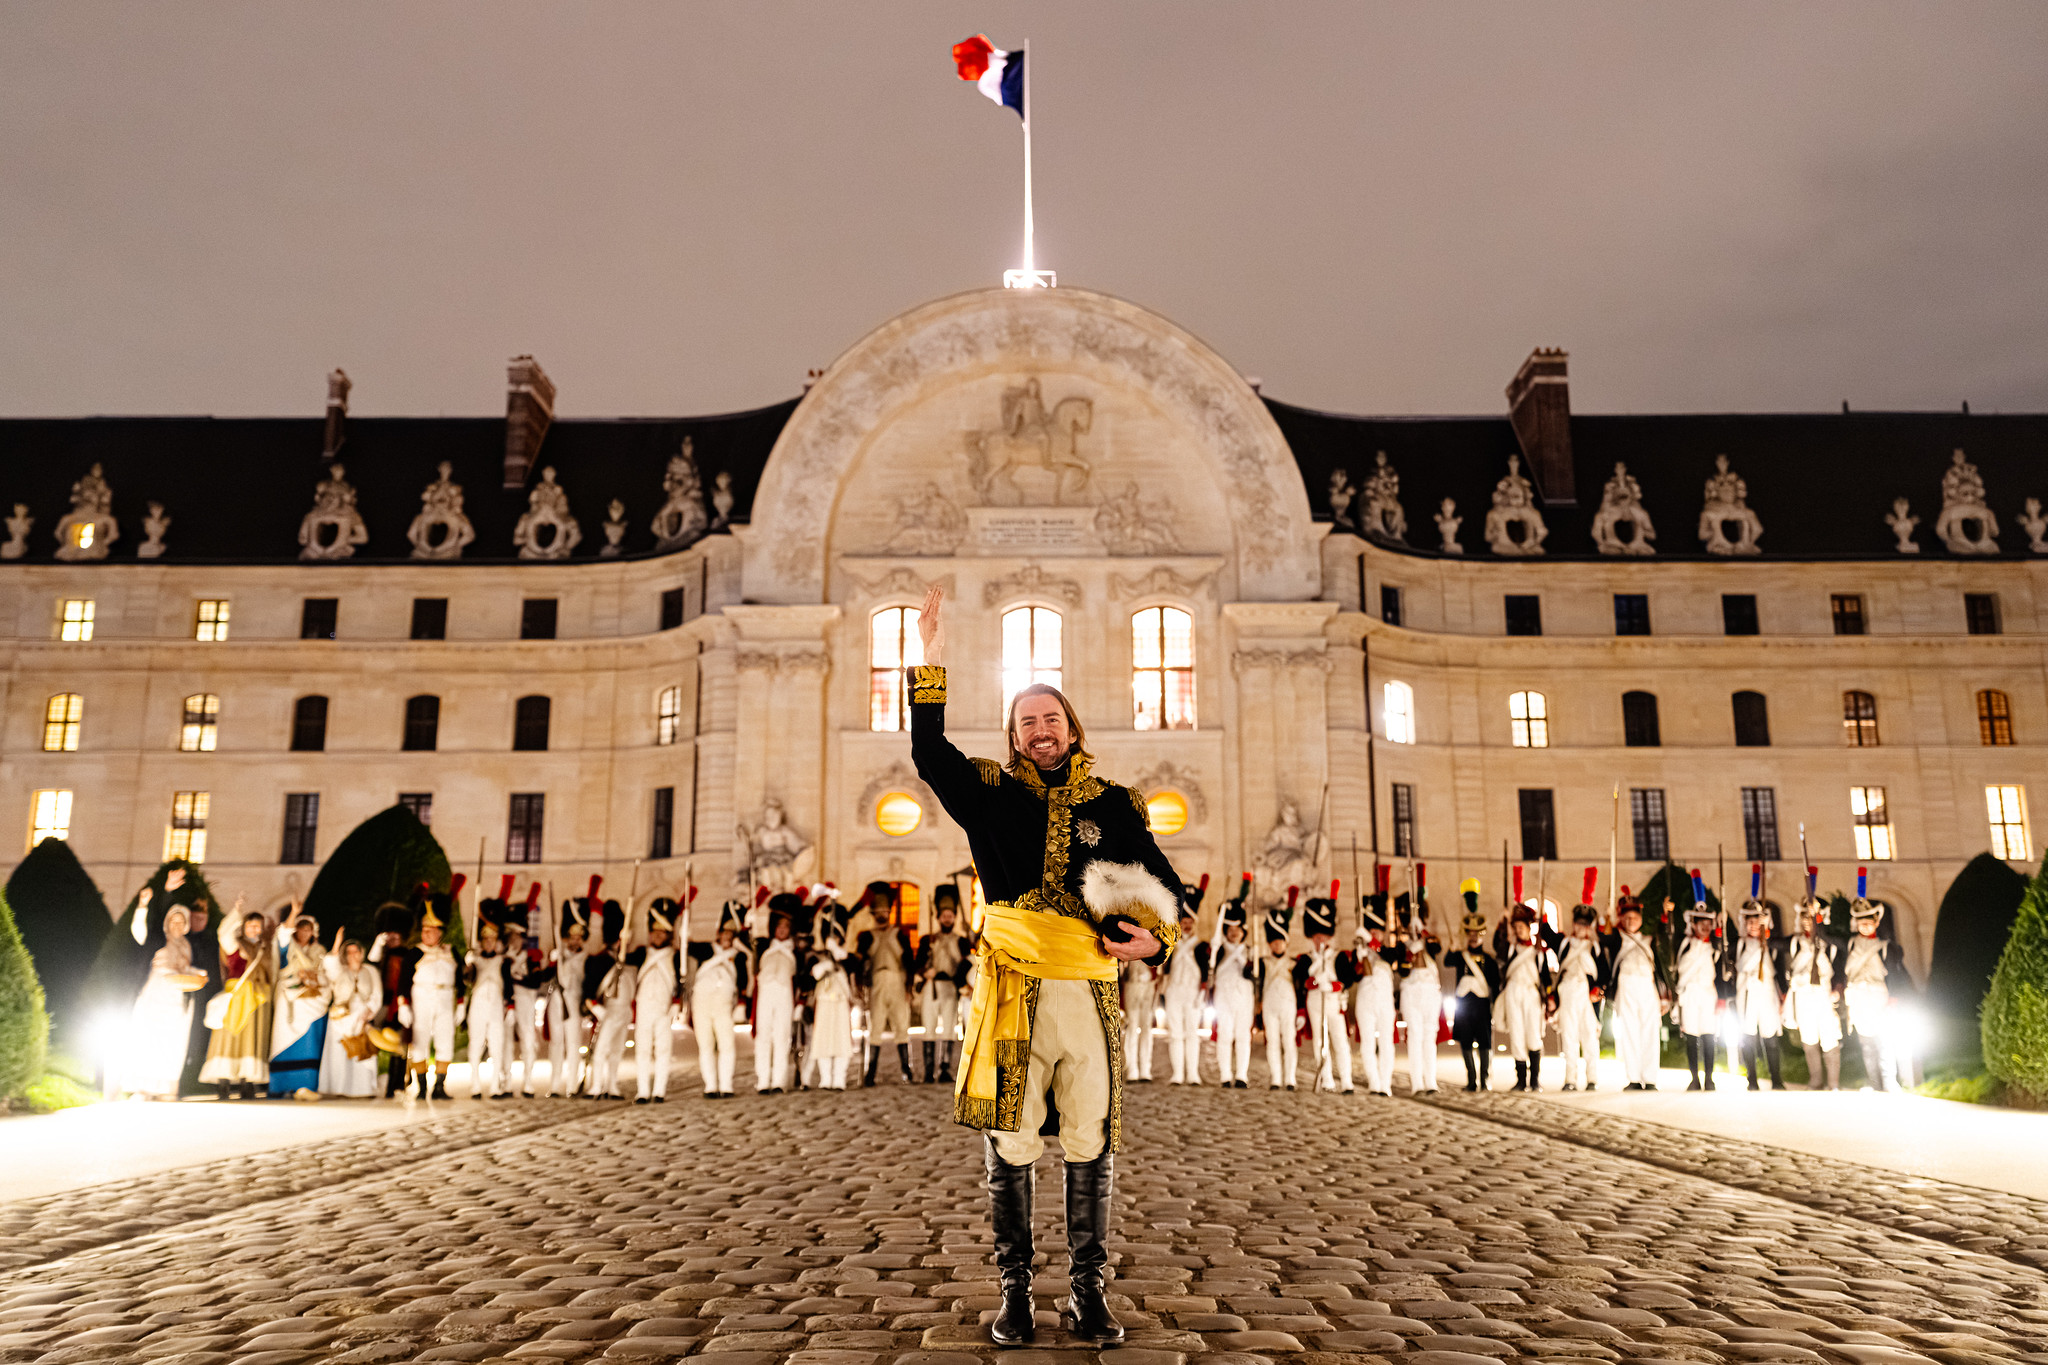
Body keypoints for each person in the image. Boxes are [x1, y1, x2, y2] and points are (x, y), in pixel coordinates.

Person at [909, 583, 1182, 1346]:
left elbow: (1165, 887)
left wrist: (1155, 940)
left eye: (1050, 718)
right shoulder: (988, 793)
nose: (1040, 730)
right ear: (1014, 734)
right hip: (1014, 990)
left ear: (1071, 727)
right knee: (1012, 1139)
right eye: (1027, 721)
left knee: (1091, 1137)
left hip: (1089, 993)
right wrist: (930, 660)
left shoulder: (1117, 804)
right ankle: (1017, 1291)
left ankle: (1089, 1292)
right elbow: (929, 753)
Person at [125, 898, 205, 1099]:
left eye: (181, 922)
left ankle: (165, 1088)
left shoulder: (185, 945)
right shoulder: (158, 940)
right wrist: (142, 907)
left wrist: (198, 973)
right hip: (156, 992)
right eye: (173, 921)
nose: (177, 925)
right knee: (149, 1038)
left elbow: (184, 968)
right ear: (167, 923)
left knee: (172, 1041)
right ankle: (142, 1088)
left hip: (176, 996)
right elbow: (139, 932)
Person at [200, 900, 278, 1100]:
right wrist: (236, 911)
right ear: (243, 927)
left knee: (251, 1039)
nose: (254, 929)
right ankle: (223, 1082)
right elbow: (223, 933)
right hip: (236, 995)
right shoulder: (235, 944)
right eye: (250, 925)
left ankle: (247, 1082)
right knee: (228, 1037)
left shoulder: (266, 947)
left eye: (258, 926)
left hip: (257, 997)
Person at [1541, 870, 1611, 1092]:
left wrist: (1598, 990)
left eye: (1585, 924)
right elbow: (1546, 933)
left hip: (1588, 997)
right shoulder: (1564, 943)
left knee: (1590, 1038)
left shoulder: (1596, 946)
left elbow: (1605, 974)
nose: (1581, 928)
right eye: (1579, 924)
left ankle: (1592, 1079)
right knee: (1569, 1037)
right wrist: (1542, 914)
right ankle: (1570, 1079)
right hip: (1567, 993)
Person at [398, 879, 465, 1100]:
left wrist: (461, 1002)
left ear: (439, 932)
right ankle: (422, 1085)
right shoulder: (414, 953)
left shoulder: (451, 951)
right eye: (425, 930)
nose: (427, 934)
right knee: (420, 1041)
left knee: (445, 1041)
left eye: (431, 931)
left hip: (445, 998)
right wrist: (403, 1004)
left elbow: (460, 979)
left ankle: (439, 1086)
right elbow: (403, 980)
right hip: (422, 998)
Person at [1842, 869, 1908, 1092]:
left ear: (1876, 923)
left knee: (1884, 1041)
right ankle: (1874, 1083)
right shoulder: (1851, 944)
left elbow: (1895, 974)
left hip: (1879, 998)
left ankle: (1890, 1082)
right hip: (1858, 999)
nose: (1865, 926)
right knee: (1867, 1044)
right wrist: (1817, 915)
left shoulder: (1885, 946)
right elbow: (1824, 935)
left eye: (1869, 922)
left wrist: (1893, 999)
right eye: (1861, 923)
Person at [1600, 889, 1670, 1091]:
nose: (1631, 921)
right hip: (1626, 987)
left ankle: (1650, 1078)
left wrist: (1664, 997)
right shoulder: (1617, 938)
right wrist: (1607, 918)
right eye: (1627, 917)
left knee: (1650, 1032)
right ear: (1621, 919)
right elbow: (1604, 939)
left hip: (1647, 986)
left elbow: (1660, 963)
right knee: (1629, 1032)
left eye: (1634, 917)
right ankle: (1633, 1078)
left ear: (1640, 919)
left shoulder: (1648, 939)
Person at [1784, 868, 1845, 1090]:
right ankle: (1816, 1080)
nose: (1807, 922)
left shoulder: (1829, 941)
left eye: (1811, 918)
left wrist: (1821, 929)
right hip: (1803, 995)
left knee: (1829, 1037)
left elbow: (1842, 954)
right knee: (1808, 1038)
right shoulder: (1795, 942)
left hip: (1824, 994)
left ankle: (1833, 1082)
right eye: (1805, 917)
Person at [1733, 867, 1790, 1091]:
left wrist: (1783, 994)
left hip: (1767, 992)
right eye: (1750, 922)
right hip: (1747, 992)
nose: (1753, 925)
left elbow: (1780, 965)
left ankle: (1776, 1078)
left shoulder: (1771, 944)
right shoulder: (1740, 944)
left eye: (1757, 921)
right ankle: (1752, 1080)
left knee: (1770, 1035)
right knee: (1748, 1036)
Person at [1294, 889, 1355, 1093]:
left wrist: (1335, 985)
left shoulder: (1338, 957)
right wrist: (1312, 982)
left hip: (1334, 1002)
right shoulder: (1306, 959)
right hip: (1315, 1002)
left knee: (1340, 1041)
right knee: (1320, 1042)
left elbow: (1347, 979)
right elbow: (1301, 980)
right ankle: (1326, 1078)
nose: (1320, 941)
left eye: (1323, 937)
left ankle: (1346, 1080)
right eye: (1317, 937)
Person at [855, 883, 916, 1085]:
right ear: (874, 913)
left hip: (897, 981)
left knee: (902, 1026)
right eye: (878, 911)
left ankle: (907, 1071)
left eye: (885, 911)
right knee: (876, 1027)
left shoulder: (900, 934)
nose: (882, 914)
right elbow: (861, 964)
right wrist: (860, 986)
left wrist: (909, 988)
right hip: (877, 984)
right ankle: (870, 1073)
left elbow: (909, 962)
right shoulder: (867, 937)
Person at [1444, 881, 1501, 1093]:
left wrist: (1495, 1005)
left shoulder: (1489, 960)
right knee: (1466, 1042)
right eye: (1470, 933)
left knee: (1485, 1043)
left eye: (1477, 933)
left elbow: (1495, 983)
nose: (1474, 936)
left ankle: (1485, 1079)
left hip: (1482, 1006)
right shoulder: (1460, 956)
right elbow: (1447, 962)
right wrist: (1452, 949)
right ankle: (1471, 1080)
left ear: (1482, 934)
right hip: (1464, 1006)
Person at [688, 901, 750, 1097]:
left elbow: (744, 979)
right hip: (702, 1003)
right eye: (725, 933)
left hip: (723, 1005)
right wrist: (684, 930)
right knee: (706, 1045)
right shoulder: (707, 950)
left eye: (731, 935)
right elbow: (687, 947)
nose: (727, 938)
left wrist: (745, 947)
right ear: (719, 933)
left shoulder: (739, 957)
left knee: (726, 1045)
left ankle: (726, 1085)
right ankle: (710, 1086)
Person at [1673, 873, 1727, 1091]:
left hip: (1708, 994)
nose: (1705, 927)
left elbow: (1721, 973)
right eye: (1701, 923)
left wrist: (1722, 998)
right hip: (1689, 994)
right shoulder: (1684, 943)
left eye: (1708, 923)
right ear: (1693, 924)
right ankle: (1694, 1078)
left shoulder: (1715, 946)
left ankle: (1709, 1078)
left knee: (1708, 1035)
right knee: (1691, 1036)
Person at [267, 911, 331, 1097]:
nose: (305, 933)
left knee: (309, 1042)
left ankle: (306, 1084)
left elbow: (324, 973)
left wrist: (311, 978)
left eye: (308, 930)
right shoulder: (288, 946)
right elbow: (283, 937)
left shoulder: (319, 951)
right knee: (283, 1039)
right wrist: (294, 912)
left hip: (312, 1000)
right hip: (289, 998)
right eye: (301, 929)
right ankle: (281, 1085)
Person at [629, 898, 683, 1103]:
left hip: (663, 1009)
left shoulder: (675, 956)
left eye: (663, 932)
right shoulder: (641, 953)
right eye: (655, 931)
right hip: (644, 1008)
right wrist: (625, 939)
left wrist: (677, 1002)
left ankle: (659, 1091)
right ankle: (642, 1091)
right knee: (642, 1050)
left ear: (668, 934)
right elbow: (622, 959)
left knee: (663, 1050)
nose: (658, 935)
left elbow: (681, 979)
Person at [917, 888, 973, 1084]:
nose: (947, 919)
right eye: (944, 916)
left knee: (949, 1027)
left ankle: (945, 1070)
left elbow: (967, 963)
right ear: (939, 918)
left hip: (951, 987)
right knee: (929, 1026)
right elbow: (918, 963)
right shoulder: (928, 940)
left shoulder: (962, 941)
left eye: (950, 916)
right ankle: (928, 1071)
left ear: (954, 918)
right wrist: (925, 972)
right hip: (931, 987)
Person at [1394, 876, 1444, 1094]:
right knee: (1414, 1035)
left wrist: (1421, 935)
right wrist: (1410, 946)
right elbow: (1403, 970)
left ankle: (1430, 1080)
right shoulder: (1401, 945)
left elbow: (1436, 949)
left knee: (1429, 1036)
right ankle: (1417, 1082)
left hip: (1430, 990)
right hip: (1411, 991)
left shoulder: (1429, 940)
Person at [1350, 884, 1400, 1098]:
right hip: (1365, 999)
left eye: (1376, 931)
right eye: (1370, 931)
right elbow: (1351, 977)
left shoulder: (1387, 950)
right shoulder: (1359, 951)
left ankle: (1385, 1083)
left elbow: (1391, 956)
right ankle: (1374, 1081)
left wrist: (1372, 943)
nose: (1373, 934)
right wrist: (1359, 957)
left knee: (1386, 1042)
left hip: (1384, 1000)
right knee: (1367, 1044)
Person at [319, 933, 383, 1097]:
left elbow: (376, 993)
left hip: (362, 1014)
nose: (353, 955)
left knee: (362, 1051)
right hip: (341, 1016)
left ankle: (362, 1089)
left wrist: (369, 1012)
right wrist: (337, 944)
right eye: (349, 952)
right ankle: (338, 1088)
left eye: (356, 952)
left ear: (361, 953)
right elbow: (330, 965)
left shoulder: (370, 970)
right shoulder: (339, 970)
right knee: (339, 1052)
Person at [1497, 903, 1552, 1091]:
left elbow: (1545, 977)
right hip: (1513, 992)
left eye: (1522, 927)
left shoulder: (1538, 952)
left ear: (1529, 928)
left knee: (1533, 1035)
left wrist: (1549, 996)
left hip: (1531, 994)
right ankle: (1521, 1080)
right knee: (1517, 1035)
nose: (1519, 930)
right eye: (1516, 927)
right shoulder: (1510, 948)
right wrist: (1503, 923)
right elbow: (1498, 949)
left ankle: (1534, 1080)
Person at [1161, 894, 1214, 1085]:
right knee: (1175, 1033)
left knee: (1192, 1033)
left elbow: (1205, 971)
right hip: (1174, 991)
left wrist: (1203, 992)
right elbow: (1164, 969)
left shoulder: (1201, 946)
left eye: (1190, 922)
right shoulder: (1170, 944)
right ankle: (1177, 1074)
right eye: (1184, 922)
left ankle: (1193, 1074)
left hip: (1193, 993)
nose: (1187, 926)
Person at [802, 900, 855, 1090]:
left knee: (842, 1040)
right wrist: (825, 965)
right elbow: (810, 978)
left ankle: (839, 1078)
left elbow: (850, 968)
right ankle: (825, 1078)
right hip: (823, 1001)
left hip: (840, 1001)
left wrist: (837, 953)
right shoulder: (816, 957)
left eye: (837, 936)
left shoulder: (846, 957)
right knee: (822, 1040)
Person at [581, 898, 629, 1098]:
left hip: (624, 1012)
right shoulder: (600, 960)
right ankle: (596, 1086)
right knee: (601, 1050)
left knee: (617, 1050)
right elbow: (588, 990)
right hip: (608, 1011)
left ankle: (612, 1086)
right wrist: (595, 1008)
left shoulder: (627, 959)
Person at [754, 895, 801, 1095]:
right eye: (779, 926)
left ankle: (779, 1081)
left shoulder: (796, 950)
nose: (782, 930)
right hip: (766, 992)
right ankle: (763, 1080)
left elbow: (799, 977)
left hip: (785, 993)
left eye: (786, 926)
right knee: (763, 1036)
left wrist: (799, 1001)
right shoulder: (762, 945)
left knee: (782, 1036)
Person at [1255, 895, 1301, 1091]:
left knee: (1289, 1041)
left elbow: (1299, 987)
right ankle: (1275, 1077)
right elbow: (1257, 984)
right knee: (1272, 1042)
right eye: (1273, 942)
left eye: (1280, 942)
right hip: (1269, 1005)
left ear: (1285, 942)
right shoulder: (1262, 963)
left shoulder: (1294, 963)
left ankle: (1290, 1078)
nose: (1277, 945)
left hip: (1288, 1005)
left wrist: (1301, 1011)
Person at [503, 884, 545, 1096]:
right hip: (507, 1005)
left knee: (528, 1041)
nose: (514, 940)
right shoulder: (503, 959)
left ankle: (528, 1081)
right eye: (511, 936)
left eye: (517, 936)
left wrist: (520, 978)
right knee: (505, 1043)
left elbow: (536, 982)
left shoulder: (531, 958)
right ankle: (506, 1081)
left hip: (526, 1002)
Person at [1210, 899, 1256, 1089]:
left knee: (1243, 1036)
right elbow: (1214, 969)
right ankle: (1225, 1075)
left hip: (1244, 998)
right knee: (1225, 1035)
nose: (1234, 933)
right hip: (1224, 997)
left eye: (1237, 930)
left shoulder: (1250, 951)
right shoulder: (1219, 950)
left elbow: (1254, 975)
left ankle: (1242, 1075)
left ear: (1243, 932)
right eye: (1230, 930)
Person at [465, 916, 510, 1100]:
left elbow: (508, 985)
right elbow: (467, 979)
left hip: (496, 1006)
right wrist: (467, 965)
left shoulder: (502, 961)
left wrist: (510, 1006)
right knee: (475, 1043)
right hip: (478, 1004)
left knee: (496, 1045)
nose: (489, 942)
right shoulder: (475, 960)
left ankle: (495, 1086)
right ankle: (475, 1085)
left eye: (492, 939)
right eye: (486, 939)